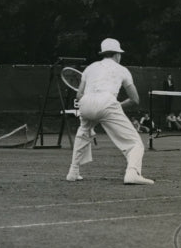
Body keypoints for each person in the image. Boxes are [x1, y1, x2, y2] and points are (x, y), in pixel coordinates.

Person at [66, 38, 155, 185]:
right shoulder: (122, 70)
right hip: (107, 103)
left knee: (83, 134)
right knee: (135, 143)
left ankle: (73, 172)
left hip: (86, 103)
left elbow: (79, 95)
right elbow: (135, 99)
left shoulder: (90, 68)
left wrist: (98, 103)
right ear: (117, 54)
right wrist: (113, 106)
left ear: (104, 53)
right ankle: (132, 173)